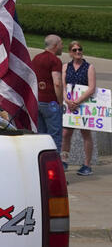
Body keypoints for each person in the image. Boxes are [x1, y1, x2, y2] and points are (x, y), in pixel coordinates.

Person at [62, 41, 97, 176]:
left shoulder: (89, 67)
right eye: (75, 50)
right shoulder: (66, 67)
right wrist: (66, 98)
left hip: (84, 105)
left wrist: (77, 101)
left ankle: (87, 164)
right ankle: (64, 160)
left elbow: (92, 87)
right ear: (70, 52)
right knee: (66, 133)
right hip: (69, 104)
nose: (78, 52)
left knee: (86, 134)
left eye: (80, 49)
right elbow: (63, 85)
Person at [30, 34, 64, 152]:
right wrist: (60, 102)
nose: (62, 47)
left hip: (37, 101)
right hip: (51, 103)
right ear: (55, 46)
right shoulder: (55, 61)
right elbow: (57, 83)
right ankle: (55, 163)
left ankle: (42, 163)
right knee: (55, 135)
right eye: (61, 44)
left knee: (41, 136)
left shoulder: (36, 58)